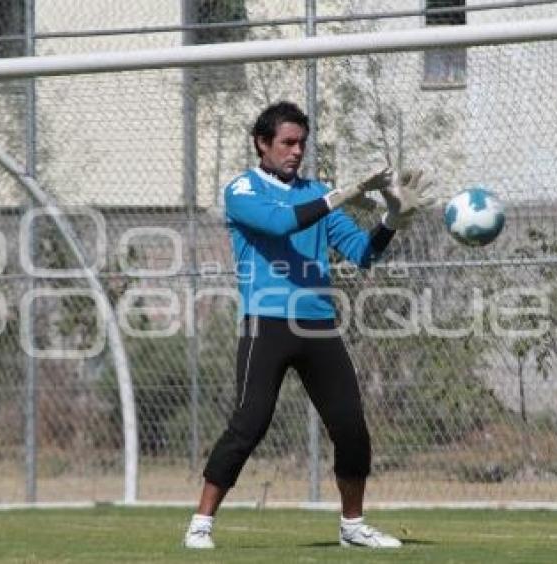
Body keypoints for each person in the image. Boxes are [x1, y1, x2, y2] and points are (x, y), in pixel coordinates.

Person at [183, 101, 433, 550]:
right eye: (287, 142)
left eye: (302, 143)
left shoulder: (317, 192)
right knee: (250, 423)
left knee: (351, 427)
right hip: (267, 322)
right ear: (262, 144)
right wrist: (344, 194)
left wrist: (391, 220)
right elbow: (278, 223)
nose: (296, 151)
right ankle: (201, 523)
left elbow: (362, 254)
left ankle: (352, 527)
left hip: (318, 324)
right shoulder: (242, 190)